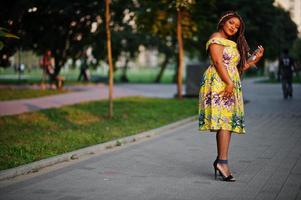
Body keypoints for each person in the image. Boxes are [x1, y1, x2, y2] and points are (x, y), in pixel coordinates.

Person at [198, 11, 264, 182]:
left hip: (228, 82)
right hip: (219, 83)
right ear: (223, 21)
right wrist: (228, 83)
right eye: (231, 23)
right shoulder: (216, 38)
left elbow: (236, 69)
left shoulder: (231, 43)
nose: (234, 27)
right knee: (224, 123)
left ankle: (221, 160)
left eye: (237, 26)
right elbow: (219, 62)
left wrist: (251, 61)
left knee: (226, 123)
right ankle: (222, 162)